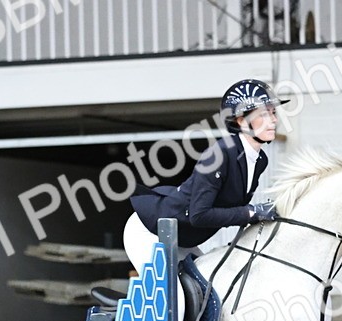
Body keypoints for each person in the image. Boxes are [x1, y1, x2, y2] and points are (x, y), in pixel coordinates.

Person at [123, 78, 287, 271]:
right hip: (151, 231)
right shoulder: (218, 155)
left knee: (207, 284)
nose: (274, 120)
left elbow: (232, 209)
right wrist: (251, 212)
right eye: (264, 114)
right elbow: (199, 215)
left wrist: (258, 214)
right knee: (179, 289)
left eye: (273, 113)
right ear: (241, 121)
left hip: (182, 236)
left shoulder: (260, 160)